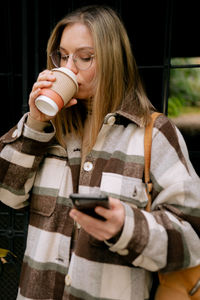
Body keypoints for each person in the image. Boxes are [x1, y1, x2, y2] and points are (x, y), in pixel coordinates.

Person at [0, 5, 200, 300]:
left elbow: (192, 241)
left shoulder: (154, 134)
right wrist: (34, 124)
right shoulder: (46, 130)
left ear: (113, 62)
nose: (69, 68)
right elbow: (8, 193)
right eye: (63, 56)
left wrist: (127, 226)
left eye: (85, 57)